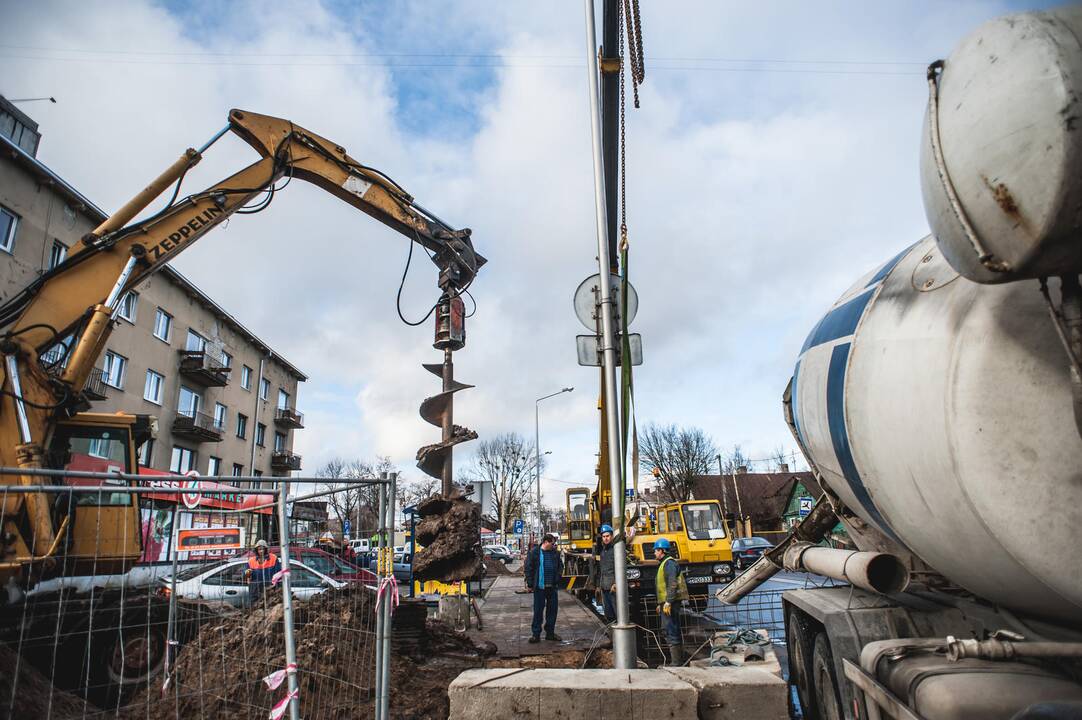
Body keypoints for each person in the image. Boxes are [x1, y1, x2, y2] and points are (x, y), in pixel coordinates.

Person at [654, 537, 689, 665]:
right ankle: (676, 661)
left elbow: (672, 583)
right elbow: (663, 586)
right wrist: (661, 603)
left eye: (656, 550)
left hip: (671, 603)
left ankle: (676, 663)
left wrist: (668, 601)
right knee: (668, 629)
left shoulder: (669, 564)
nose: (654, 553)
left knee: (671, 630)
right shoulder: (665, 564)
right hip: (667, 603)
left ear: (662, 551)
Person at [524, 533, 563, 643]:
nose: (554, 545)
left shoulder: (555, 553)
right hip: (540, 588)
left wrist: (558, 577)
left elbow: (560, 566)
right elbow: (528, 568)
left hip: (552, 587)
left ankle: (550, 633)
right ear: (546, 542)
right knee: (538, 611)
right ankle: (536, 634)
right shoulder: (534, 553)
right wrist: (531, 584)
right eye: (552, 543)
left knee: (552, 611)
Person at [246, 539, 281, 607]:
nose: (261, 551)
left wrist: (275, 584)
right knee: (255, 607)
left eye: (262, 549)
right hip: (255, 589)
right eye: (259, 549)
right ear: (256, 550)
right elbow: (247, 571)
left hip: (270, 589)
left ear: (266, 549)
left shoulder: (273, 558)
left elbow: (278, 573)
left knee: (269, 607)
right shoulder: (251, 561)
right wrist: (248, 577)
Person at [597, 524, 619, 623]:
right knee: (608, 613)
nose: (605, 538)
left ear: (612, 536)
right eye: (604, 536)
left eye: (607, 536)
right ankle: (612, 634)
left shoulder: (616, 550)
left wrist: (615, 583)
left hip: (613, 588)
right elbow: (601, 569)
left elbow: (619, 568)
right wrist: (599, 585)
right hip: (605, 587)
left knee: (617, 612)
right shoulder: (603, 551)